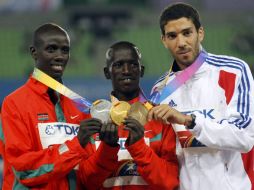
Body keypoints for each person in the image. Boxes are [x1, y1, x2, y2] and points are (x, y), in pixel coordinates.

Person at [148, 3, 254, 190]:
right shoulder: (160, 89)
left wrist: (189, 121)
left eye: (187, 33)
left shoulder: (233, 70)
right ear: (163, 40)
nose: (181, 43)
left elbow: (244, 138)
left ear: (200, 33)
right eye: (172, 36)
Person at [1, 23, 119, 189]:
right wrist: (76, 144)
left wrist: (108, 148)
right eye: (51, 49)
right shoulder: (14, 104)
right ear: (34, 52)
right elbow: (24, 171)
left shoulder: (78, 106)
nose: (60, 56)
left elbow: (88, 179)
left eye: (65, 50)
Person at [94, 41, 179, 189]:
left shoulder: (160, 117)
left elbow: (170, 181)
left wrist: (139, 147)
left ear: (142, 70)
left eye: (133, 65)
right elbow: (86, 182)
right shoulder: (95, 120)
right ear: (107, 73)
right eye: (118, 65)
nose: (126, 71)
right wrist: (106, 150)